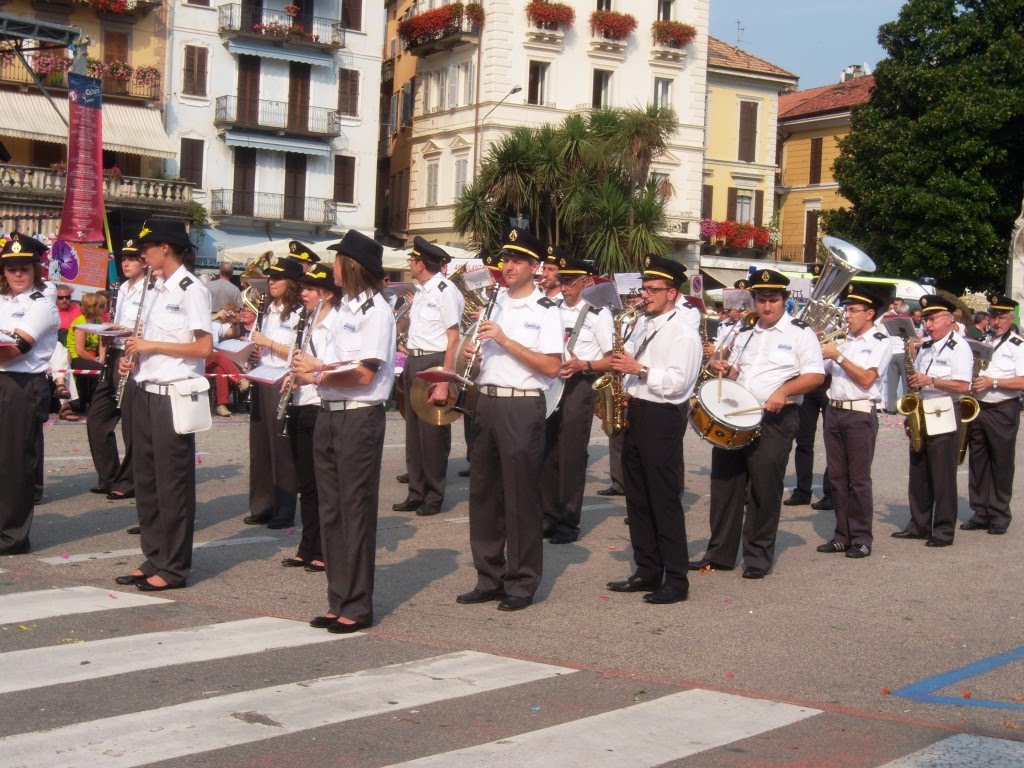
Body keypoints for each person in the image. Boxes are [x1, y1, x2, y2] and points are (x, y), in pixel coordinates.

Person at [291, 230, 395, 633]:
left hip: (358, 415)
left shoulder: (376, 311)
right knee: (331, 510)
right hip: (329, 411)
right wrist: (308, 372)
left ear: (351, 265)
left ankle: (357, 604)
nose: (330, 267)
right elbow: (332, 365)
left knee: (354, 510)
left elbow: (364, 372)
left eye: (336, 260)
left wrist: (316, 372)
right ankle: (338, 598)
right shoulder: (345, 309)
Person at [691, 270, 825, 578]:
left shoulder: (800, 333)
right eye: (762, 300)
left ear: (785, 300)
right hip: (738, 413)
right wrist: (723, 367)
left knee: (764, 488)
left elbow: (815, 375)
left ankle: (757, 557)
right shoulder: (746, 329)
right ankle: (720, 554)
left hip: (776, 416)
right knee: (725, 484)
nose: (767, 307)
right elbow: (737, 370)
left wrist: (784, 391)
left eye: (773, 300)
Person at [455, 227, 562, 612]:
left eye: (517, 260)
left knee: (520, 498)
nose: (508, 265)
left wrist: (503, 340)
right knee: (484, 495)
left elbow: (551, 365)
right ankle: (489, 577)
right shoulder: (494, 302)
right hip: (487, 400)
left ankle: (521, 582)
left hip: (522, 405)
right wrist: (476, 355)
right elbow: (489, 355)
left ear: (535, 267)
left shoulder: (546, 310)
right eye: (505, 258)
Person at [114, 220, 212, 590]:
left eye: (148, 247)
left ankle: (173, 565)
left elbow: (204, 348)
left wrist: (153, 347)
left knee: (173, 483)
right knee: (148, 480)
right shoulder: (153, 289)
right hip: (145, 389)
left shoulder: (191, 290)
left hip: (173, 394)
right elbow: (148, 340)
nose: (143, 254)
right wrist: (135, 356)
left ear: (166, 248)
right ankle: (153, 554)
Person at [606, 255, 701, 604]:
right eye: (643, 288)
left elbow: (678, 383)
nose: (643, 295)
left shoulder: (683, 332)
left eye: (651, 290)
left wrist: (640, 370)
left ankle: (676, 579)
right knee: (638, 498)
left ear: (671, 293)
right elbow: (627, 359)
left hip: (663, 416)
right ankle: (646, 570)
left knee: (664, 500)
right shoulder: (644, 324)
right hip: (637, 411)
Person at [816, 284, 892, 558]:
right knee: (837, 478)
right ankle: (841, 535)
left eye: (852, 310)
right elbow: (818, 369)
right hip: (834, 410)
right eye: (846, 310)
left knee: (858, 480)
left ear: (869, 313)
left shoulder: (880, 342)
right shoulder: (844, 340)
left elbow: (867, 378)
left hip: (859, 413)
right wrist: (813, 346)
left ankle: (861, 538)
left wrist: (838, 355)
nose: (846, 316)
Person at [542, 255, 613, 544]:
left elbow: (612, 359)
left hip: (579, 385)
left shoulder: (598, 314)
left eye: (570, 282)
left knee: (571, 455)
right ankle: (547, 516)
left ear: (586, 282)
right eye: (562, 281)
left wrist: (584, 365)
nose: (565, 287)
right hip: (551, 382)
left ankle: (568, 522)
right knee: (547, 452)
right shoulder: (551, 309)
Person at [892, 294, 972, 548]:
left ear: (949, 320)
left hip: (945, 410)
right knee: (919, 470)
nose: (928, 324)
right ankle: (919, 524)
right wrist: (910, 415)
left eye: (933, 319)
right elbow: (916, 382)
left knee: (942, 473)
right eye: (926, 319)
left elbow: (963, 385)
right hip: (923, 409)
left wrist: (932, 381)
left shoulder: (959, 347)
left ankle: (944, 529)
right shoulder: (926, 347)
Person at [393, 237, 464, 516]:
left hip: (435, 362)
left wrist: (446, 379)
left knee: (432, 432)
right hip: (415, 358)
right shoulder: (421, 291)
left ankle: (434, 495)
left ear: (421, 263)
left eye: (412, 260)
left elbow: (453, 336)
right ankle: (416, 490)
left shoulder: (446, 290)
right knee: (414, 430)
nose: (410, 264)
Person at [0, 234, 58, 554]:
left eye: (24, 268)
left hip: (22, 384)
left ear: (36, 269)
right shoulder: (2, 300)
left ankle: (12, 536)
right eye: (11, 269)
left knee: (14, 463)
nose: (18, 274)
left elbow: (17, 348)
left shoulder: (42, 305)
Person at [280, 263, 339, 573]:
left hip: (320, 402)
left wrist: (308, 372)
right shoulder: (307, 321)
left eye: (309, 289)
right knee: (305, 482)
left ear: (326, 293)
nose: (302, 293)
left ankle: (323, 547)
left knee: (320, 483)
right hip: (300, 401)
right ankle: (307, 545)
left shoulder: (338, 323)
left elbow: (336, 365)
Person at [245, 256, 305, 529]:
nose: (272, 282)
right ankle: (262, 505)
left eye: (277, 278)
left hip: (281, 379)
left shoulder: (298, 313)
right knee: (260, 447)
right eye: (270, 278)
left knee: (281, 448)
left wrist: (267, 343)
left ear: (290, 282)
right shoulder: (265, 310)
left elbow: (298, 352)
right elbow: (260, 346)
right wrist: (253, 351)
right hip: (262, 377)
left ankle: (284, 508)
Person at [86, 240, 147, 501]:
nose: (126, 263)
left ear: (144, 262)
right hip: (115, 353)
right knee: (97, 420)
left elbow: (145, 326)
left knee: (131, 424)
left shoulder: (150, 289)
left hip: (134, 354)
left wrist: (120, 329)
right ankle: (109, 476)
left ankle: (130, 479)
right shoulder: (121, 288)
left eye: (132, 258)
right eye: (124, 258)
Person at [962, 295, 1024, 535]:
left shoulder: (1017, 345)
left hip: (1002, 408)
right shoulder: (982, 341)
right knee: (978, 460)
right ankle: (980, 511)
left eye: (1000, 318)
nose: (995, 322)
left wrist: (993, 381)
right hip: (979, 407)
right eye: (992, 316)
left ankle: (999, 513)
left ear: (1010, 319)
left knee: (1001, 462)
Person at [66, 292, 106, 412]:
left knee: (103, 366)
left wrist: (102, 356)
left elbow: (102, 343)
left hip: (91, 356)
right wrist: (96, 361)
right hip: (76, 357)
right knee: (99, 369)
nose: (105, 308)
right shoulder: (80, 323)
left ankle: (93, 402)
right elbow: (79, 350)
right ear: (93, 307)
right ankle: (92, 403)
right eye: (102, 306)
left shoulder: (98, 322)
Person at [877, 297, 908, 413]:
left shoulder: (887, 317)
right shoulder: (904, 318)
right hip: (897, 352)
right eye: (895, 304)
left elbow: (879, 330)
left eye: (898, 305)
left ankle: (893, 408)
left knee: (894, 383)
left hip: (897, 352)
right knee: (900, 382)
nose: (896, 307)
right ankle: (902, 407)